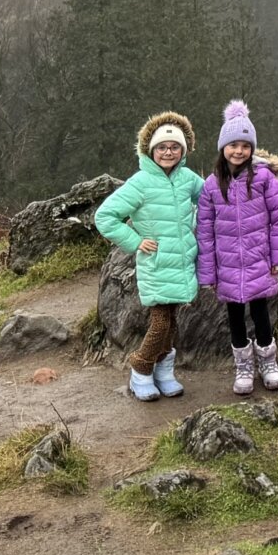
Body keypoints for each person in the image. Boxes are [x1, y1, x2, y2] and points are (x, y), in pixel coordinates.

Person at [95, 111, 202, 401]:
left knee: (173, 321)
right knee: (161, 322)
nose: (168, 152)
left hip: (181, 264)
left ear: (183, 150)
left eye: (174, 147)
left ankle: (163, 372)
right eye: (162, 147)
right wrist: (135, 241)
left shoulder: (188, 179)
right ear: (151, 150)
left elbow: (210, 200)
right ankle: (141, 368)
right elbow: (105, 216)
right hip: (156, 265)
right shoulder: (140, 182)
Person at [197, 99, 278, 394]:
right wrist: (208, 272)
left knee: (261, 310)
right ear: (222, 147)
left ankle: (268, 360)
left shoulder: (264, 178)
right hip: (227, 264)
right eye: (233, 145)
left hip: (258, 259)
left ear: (252, 149)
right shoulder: (212, 185)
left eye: (245, 145)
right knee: (235, 315)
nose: (239, 151)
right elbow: (204, 230)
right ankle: (243, 366)